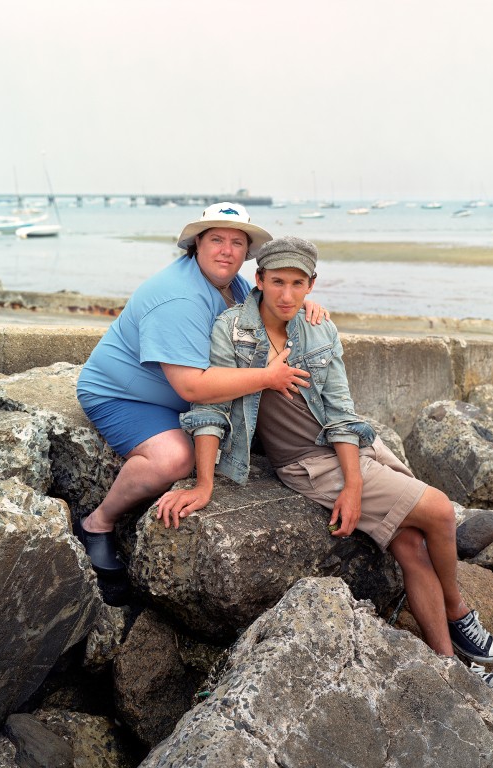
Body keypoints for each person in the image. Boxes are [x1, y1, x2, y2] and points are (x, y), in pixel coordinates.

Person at [157, 235, 493, 695]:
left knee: (411, 545)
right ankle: (458, 612)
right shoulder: (232, 331)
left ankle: (451, 668)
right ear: (258, 280)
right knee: (442, 510)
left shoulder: (319, 328)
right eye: (277, 282)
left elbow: (342, 414)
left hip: (350, 446)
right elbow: (211, 411)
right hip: (307, 463)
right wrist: (205, 483)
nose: (287, 294)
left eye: (297, 284)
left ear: (311, 285)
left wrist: (356, 485)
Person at [76, 204, 327, 573]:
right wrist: (267, 377)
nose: (226, 250)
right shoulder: (178, 297)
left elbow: (271, 309)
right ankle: (98, 523)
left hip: (173, 395)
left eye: (237, 242)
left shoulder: (233, 285)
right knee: (175, 459)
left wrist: (303, 304)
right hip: (124, 395)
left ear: (247, 253)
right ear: (197, 244)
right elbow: (192, 386)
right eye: (216, 240)